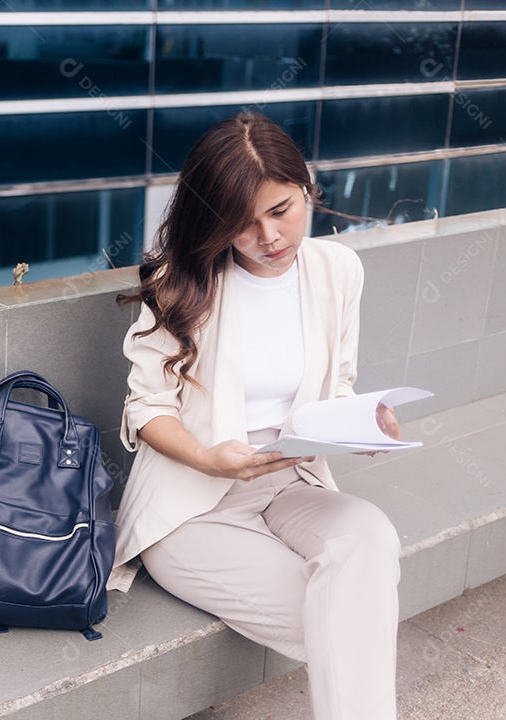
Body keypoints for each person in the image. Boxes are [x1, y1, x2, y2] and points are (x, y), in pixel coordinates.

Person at [111, 111, 402, 720]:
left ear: (307, 190)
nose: (268, 237)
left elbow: (337, 381)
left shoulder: (337, 270)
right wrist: (211, 458)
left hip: (293, 479)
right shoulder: (180, 284)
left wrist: (363, 422)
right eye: (241, 225)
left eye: (281, 210)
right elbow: (147, 411)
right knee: (345, 618)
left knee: (369, 535)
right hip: (193, 504)